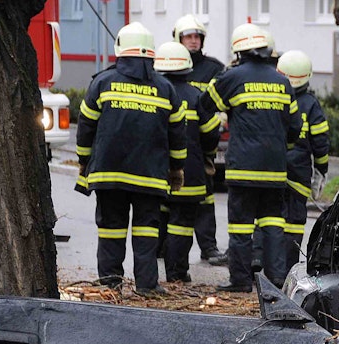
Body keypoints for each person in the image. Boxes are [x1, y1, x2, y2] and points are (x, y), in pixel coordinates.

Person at [76, 22, 187, 296]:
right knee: (147, 231)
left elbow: (86, 126)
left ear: (120, 50)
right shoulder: (165, 88)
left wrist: (83, 160)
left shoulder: (101, 82)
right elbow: (178, 133)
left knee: (111, 228)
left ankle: (111, 283)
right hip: (149, 176)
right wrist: (177, 169)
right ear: (151, 54)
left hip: (109, 175)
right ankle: (147, 285)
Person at [200, 24, 301, 292]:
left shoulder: (233, 77)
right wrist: (280, 147)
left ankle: (241, 281)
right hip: (275, 170)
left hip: (243, 169)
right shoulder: (282, 81)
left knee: (241, 229)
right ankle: (277, 281)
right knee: (273, 226)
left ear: (238, 51)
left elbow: (204, 105)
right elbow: (295, 128)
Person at [154, 41, 221, 283]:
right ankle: (177, 274)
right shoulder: (196, 96)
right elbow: (212, 133)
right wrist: (207, 155)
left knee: (155, 223)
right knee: (181, 226)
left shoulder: (154, 93)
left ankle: (149, 274)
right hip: (189, 172)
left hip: (155, 172)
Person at [172, 13, 227, 266]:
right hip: (173, 142)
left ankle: (209, 247)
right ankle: (165, 247)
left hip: (201, 143)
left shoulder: (215, 69)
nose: (193, 41)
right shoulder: (168, 66)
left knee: (205, 197)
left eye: (197, 36)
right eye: (188, 36)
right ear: (178, 38)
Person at [275, 50, 331, 278]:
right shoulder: (311, 105)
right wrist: (322, 170)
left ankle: (263, 265)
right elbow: (321, 142)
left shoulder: (276, 98)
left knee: (269, 219)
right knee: (295, 223)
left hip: (275, 168)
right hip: (298, 172)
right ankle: (287, 269)